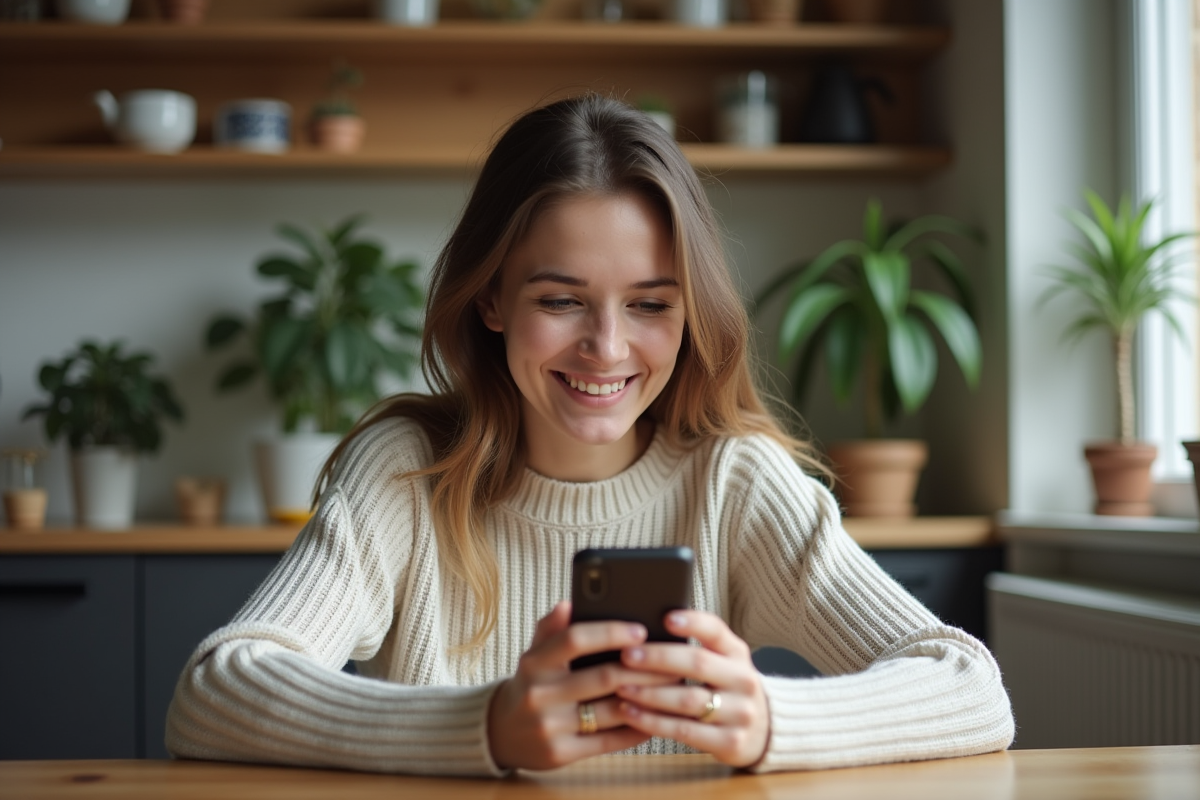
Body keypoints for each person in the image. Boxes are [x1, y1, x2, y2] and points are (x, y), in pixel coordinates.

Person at [166, 95, 1014, 776]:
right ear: (491, 300)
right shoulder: (406, 474)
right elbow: (213, 691)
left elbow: (972, 689)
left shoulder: (733, 480)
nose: (607, 348)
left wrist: (768, 718)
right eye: (561, 300)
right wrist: (488, 726)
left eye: (650, 304)